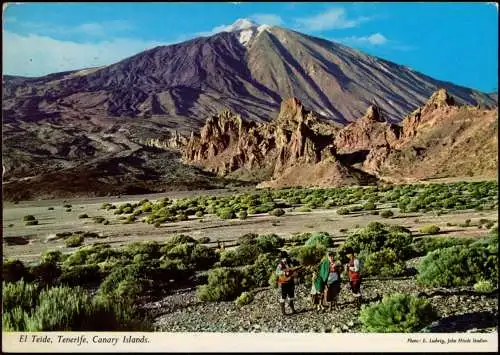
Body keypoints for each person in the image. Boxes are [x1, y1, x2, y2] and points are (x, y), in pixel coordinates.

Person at [275, 251, 298, 315]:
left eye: (285, 257)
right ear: (281, 258)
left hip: (290, 282)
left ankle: (293, 310)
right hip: (283, 283)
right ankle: (283, 312)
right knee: (283, 297)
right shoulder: (280, 265)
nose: (285, 259)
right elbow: (277, 272)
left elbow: (293, 270)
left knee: (291, 296)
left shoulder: (290, 263)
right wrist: (284, 272)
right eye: (283, 258)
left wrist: (295, 276)